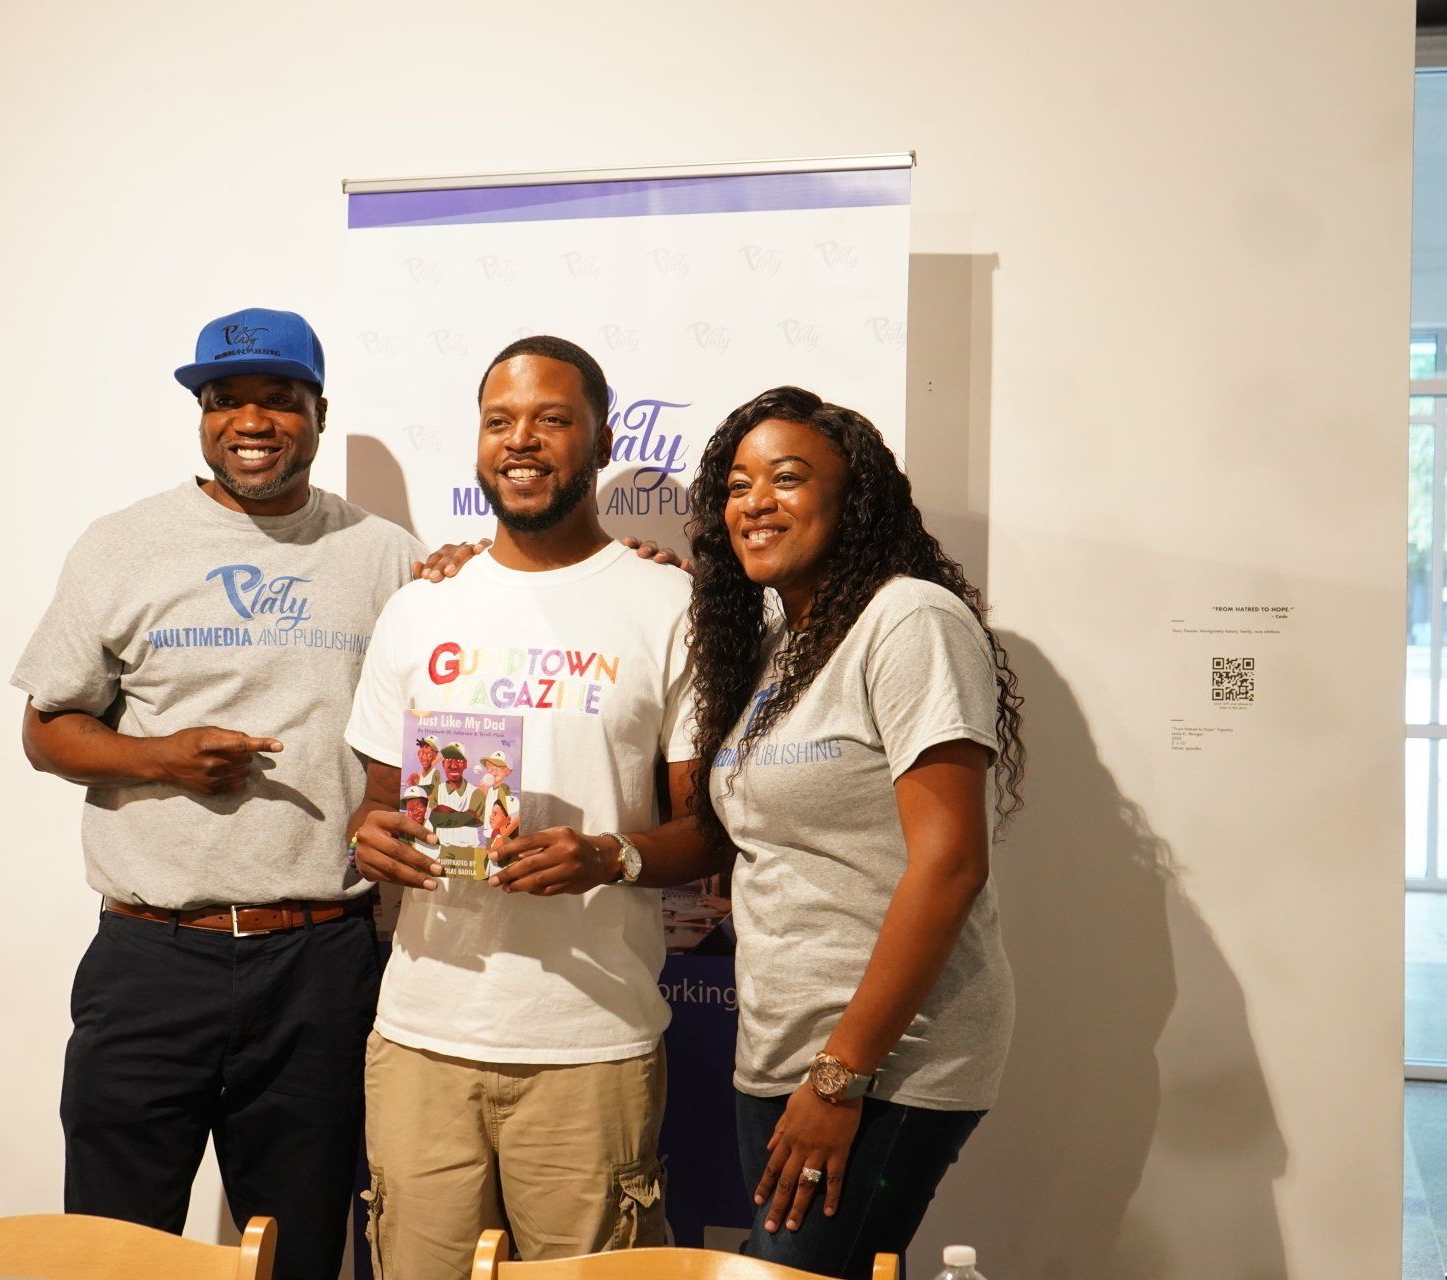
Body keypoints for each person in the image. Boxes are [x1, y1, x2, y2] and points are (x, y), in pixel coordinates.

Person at [10, 306, 423, 1280]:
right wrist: (160, 757)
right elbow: (45, 727)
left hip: (322, 960)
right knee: (119, 1250)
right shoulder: (122, 544)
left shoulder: (388, 556)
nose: (252, 418)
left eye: (280, 399)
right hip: (152, 957)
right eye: (226, 398)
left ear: (319, 411)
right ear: (201, 413)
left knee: (303, 1244)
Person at [343, 335, 721, 1280]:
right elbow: (377, 806)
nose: (524, 441)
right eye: (501, 420)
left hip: (592, 1040)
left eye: (553, 419)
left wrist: (611, 858)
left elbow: (708, 834)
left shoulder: (665, 602)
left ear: (597, 439)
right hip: (422, 1037)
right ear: (477, 442)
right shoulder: (422, 606)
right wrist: (371, 838)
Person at [683, 386, 1025, 1280]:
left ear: (854, 496)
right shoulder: (780, 645)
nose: (755, 500)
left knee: (791, 1275)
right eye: (737, 483)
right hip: (781, 1048)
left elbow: (950, 864)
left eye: (787, 478)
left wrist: (841, 1076)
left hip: (884, 1062)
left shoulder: (909, 620)